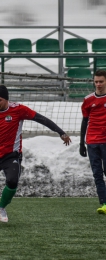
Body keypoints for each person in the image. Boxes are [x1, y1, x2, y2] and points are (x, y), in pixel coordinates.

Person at [0, 85, 71, 223]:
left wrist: (61, 132)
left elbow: (42, 119)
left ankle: (1, 207)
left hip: (11, 155)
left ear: (7, 100)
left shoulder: (19, 110)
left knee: (12, 181)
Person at [79, 69, 106, 214]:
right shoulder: (88, 100)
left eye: (101, 81)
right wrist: (81, 142)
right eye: (96, 81)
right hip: (92, 142)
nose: (98, 84)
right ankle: (104, 204)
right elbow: (84, 121)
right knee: (97, 173)